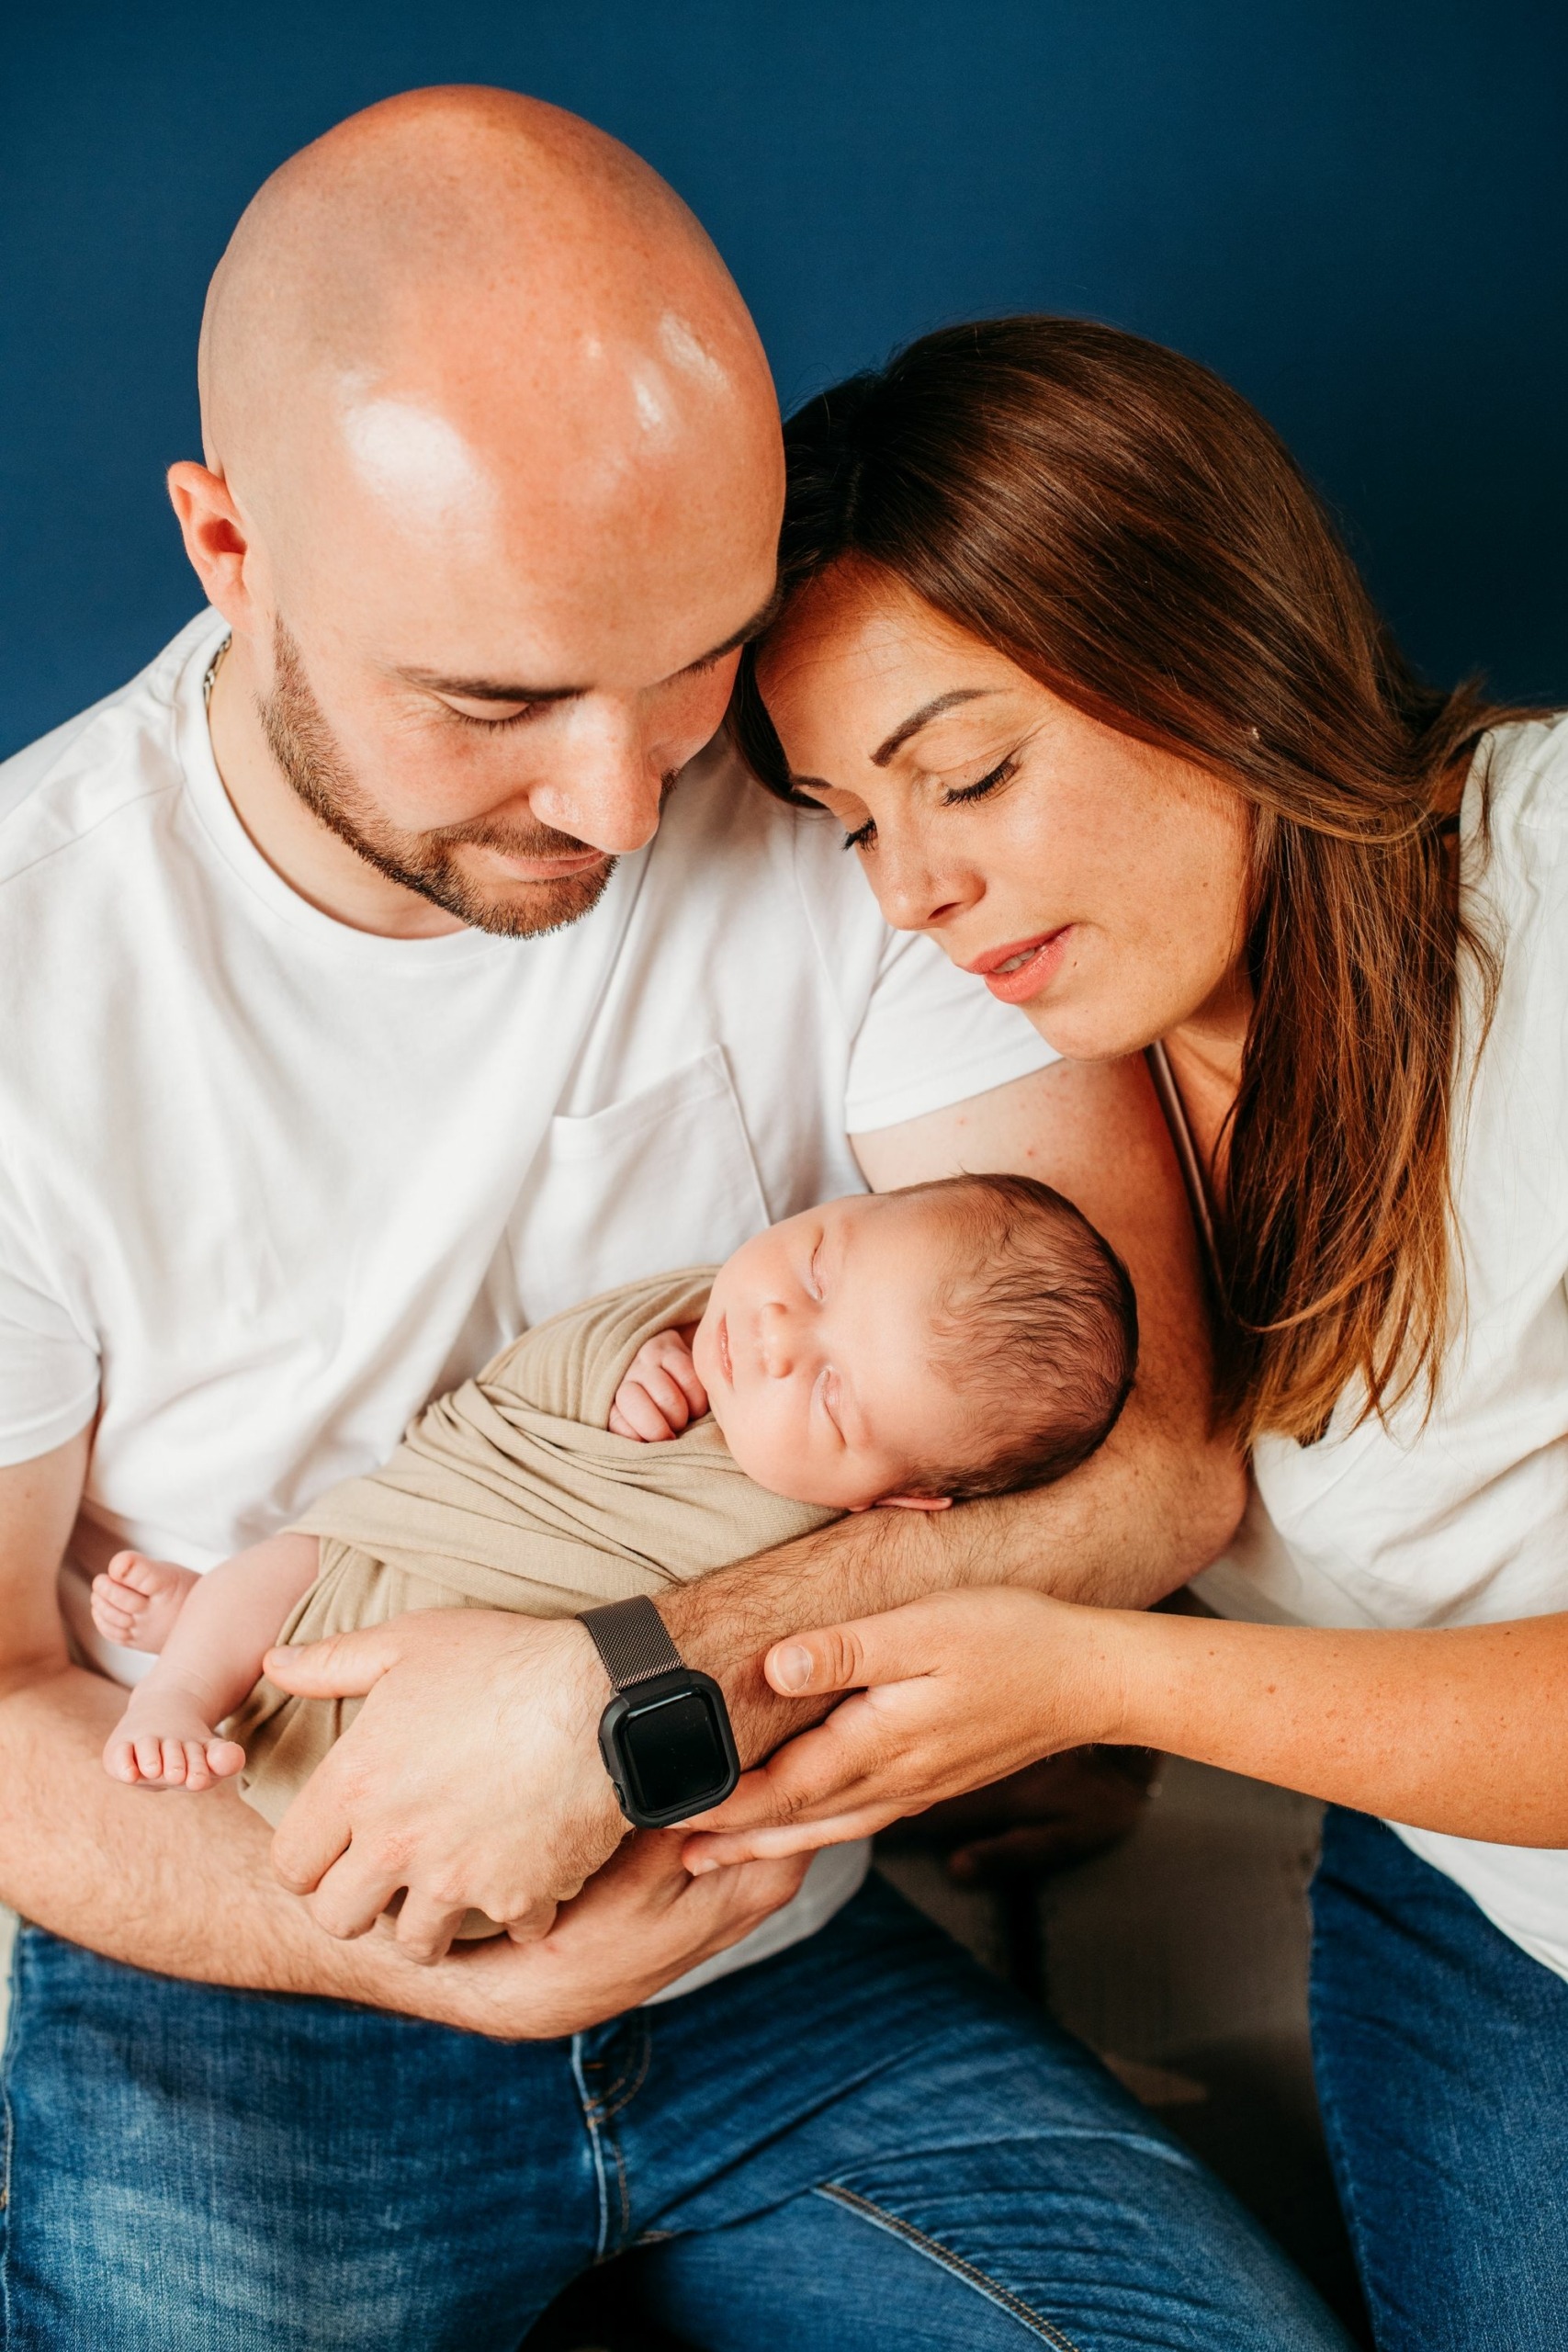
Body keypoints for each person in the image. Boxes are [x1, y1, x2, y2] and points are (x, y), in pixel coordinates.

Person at [0, 88, 1353, 2352]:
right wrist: (383, 1914)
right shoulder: (32, 969)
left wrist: (631, 1696)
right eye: (497, 699)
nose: (628, 802)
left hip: (779, 1945)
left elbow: (1146, 1456)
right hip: (250, 1980)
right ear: (230, 547)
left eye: (690, 655)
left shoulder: (850, 785)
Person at [683, 314, 1568, 2352]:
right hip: (1472, 1900)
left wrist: (1105, 1675)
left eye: (967, 770)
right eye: (848, 821)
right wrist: (1088, 1732)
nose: (914, 888)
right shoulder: (1057, 1084)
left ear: (1206, 638)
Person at [89, 1175, 1135, 1797]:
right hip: (406, 1543)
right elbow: (521, 1395)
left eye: (831, 1400)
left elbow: (722, 1665)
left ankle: (239, 1664)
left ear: (898, 1502)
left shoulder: (811, 1553)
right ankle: (185, 1685)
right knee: (287, 1569)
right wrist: (617, 1365)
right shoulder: (682, 1321)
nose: (775, 1336)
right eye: (817, 1272)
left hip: (486, 1720)